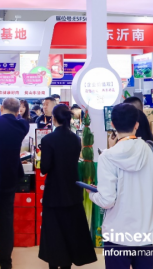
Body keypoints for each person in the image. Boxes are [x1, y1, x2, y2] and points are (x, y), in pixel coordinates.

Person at [89, 103, 153, 269]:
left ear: (112, 124)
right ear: (136, 124)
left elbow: (107, 200)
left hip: (118, 234)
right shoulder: (152, 150)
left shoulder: (107, 156)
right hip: (147, 232)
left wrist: (92, 193)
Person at [39, 104, 97, 269]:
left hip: (54, 192)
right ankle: (67, 265)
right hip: (72, 191)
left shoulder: (47, 140)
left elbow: (44, 168)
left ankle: (54, 263)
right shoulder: (76, 139)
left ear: (54, 119)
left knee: (53, 232)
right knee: (70, 230)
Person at [0, 98, 30, 269]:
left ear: (1, 108)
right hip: (10, 176)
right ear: (18, 111)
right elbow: (20, 120)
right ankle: (5, 261)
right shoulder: (22, 125)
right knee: (6, 220)